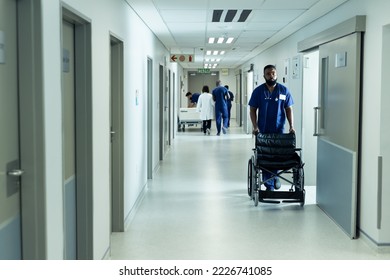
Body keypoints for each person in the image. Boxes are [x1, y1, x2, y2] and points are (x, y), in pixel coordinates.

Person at [248, 64, 295, 191]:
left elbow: (288, 109)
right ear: (264, 76)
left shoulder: (284, 90)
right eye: (268, 73)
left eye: (273, 73)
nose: (271, 75)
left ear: (277, 74)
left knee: (276, 154)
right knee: (266, 155)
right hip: (263, 130)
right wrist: (255, 126)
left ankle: (275, 176)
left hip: (279, 128)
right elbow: (252, 109)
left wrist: (291, 126)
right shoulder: (258, 91)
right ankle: (269, 184)